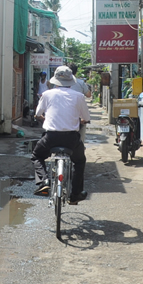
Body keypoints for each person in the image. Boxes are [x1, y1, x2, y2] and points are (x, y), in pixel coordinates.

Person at [31, 65, 90, 204]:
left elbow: (38, 114)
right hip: (71, 138)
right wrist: (81, 120)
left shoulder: (47, 94)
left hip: (50, 137)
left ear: (55, 80)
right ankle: (75, 194)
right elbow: (86, 117)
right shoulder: (79, 96)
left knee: (37, 156)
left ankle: (44, 181)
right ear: (71, 81)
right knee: (80, 162)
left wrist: (42, 117)